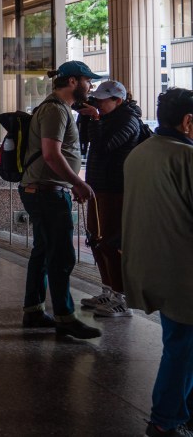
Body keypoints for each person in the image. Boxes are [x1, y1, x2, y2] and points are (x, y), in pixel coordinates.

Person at [123, 88, 193, 437]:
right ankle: (165, 419)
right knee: (183, 347)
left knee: (180, 342)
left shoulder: (140, 153)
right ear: (188, 122)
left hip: (151, 265)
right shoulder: (187, 158)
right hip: (183, 271)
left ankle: (182, 411)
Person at [18, 60, 100, 339]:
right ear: (73, 81)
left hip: (43, 190)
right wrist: (78, 182)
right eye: (88, 80)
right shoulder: (55, 110)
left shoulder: (60, 109)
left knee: (43, 251)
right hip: (47, 191)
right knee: (62, 255)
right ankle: (65, 317)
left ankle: (34, 311)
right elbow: (51, 154)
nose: (91, 86)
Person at [76, 80, 144, 318]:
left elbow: (105, 147)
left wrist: (95, 119)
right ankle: (107, 289)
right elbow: (85, 142)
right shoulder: (103, 118)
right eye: (97, 100)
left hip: (116, 189)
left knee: (110, 242)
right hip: (97, 186)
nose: (99, 104)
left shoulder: (129, 120)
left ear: (118, 100)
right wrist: (86, 118)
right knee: (94, 239)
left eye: (104, 100)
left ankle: (121, 297)